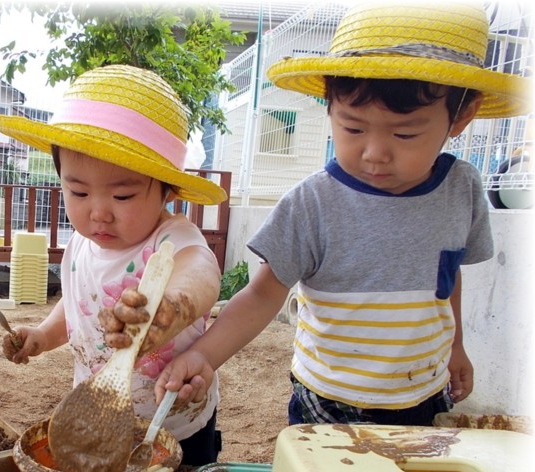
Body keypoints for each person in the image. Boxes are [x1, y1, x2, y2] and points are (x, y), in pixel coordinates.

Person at [155, 2, 531, 426]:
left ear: (462, 115)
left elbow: (447, 276)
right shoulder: (311, 205)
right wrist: (205, 354)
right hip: (328, 400)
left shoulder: (461, 189)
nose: (374, 154)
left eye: (405, 133)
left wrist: (456, 345)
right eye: (352, 128)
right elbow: (263, 294)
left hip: (423, 393)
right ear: (329, 106)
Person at [0, 64, 228, 465]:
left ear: (166, 191)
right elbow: (78, 302)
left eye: (122, 197)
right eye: (79, 192)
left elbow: (202, 270)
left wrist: (171, 307)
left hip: (176, 420)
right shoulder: (80, 247)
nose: (98, 213)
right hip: (102, 417)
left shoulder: (171, 239)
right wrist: (44, 335)